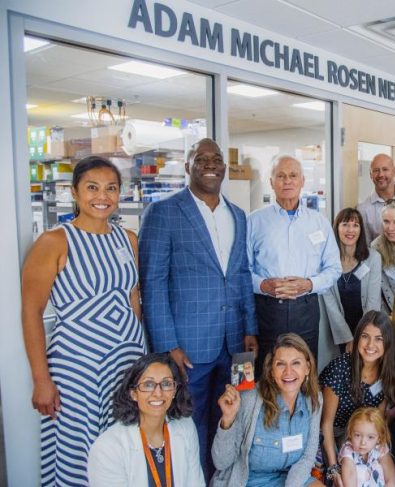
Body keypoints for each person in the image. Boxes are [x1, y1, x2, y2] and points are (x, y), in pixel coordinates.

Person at [21, 156, 146, 486]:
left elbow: (133, 298)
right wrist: (41, 379)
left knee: (124, 445)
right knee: (82, 451)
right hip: (79, 367)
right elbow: (31, 313)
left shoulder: (127, 238)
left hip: (127, 361)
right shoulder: (54, 242)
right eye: (92, 187)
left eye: (111, 188)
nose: (101, 196)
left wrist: (143, 360)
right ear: (74, 192)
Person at [139, 138, 256, 479]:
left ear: (224, 167)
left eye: (216, 159)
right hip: (188, 348)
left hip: (234, 345)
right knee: (189, 424)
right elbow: (153, 283)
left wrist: (250, 329)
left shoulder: (238, 215)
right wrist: (166, 346)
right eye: (200, 158)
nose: (210, 164)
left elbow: (242, 273)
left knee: (231, 418)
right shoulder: (163, 213)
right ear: (188, 166)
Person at [247, 155, 342, 370]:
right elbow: (242, 270)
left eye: (292, 176)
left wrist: (309, 284)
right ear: (271, 182)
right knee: (269, 371)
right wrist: (263, 285)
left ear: (302, 180)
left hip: (306, 310)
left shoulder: (319, 221)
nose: (287, 181)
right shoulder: (254, 221)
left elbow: (334, 268)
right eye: (280, 176)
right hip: (267, 310)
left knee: (305, 370)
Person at [211, 333, 324, 487]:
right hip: (249, 480)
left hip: (291, 478)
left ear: (307, 368)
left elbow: (308, 456)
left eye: (296, 363)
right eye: (281, 364)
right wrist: (228, 419)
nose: (288, 372)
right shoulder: (249, 399)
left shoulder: (314, 398)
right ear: (271, 370)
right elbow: (221, 462)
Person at [88, 353, 205, 486]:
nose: (158, 393)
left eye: (166, 384)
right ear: (133, 394)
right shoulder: (107, 448)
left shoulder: (186, 427)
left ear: (174, 391)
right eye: (148, 385)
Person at [320, 311, 395, 484]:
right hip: (337, 431)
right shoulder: (340, 369)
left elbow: (379, 419)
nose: (371, 344)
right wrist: (333, 469)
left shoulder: (387, 372)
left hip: (367, 433)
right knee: (351, 470)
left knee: (382, 464)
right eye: (365, 336)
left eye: (379, 338)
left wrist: (379, 451)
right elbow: (326, 424)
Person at [321, 208, 382, 352]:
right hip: (336, 331)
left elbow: (373, 302)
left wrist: (363, 336)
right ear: (336, 228)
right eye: (345, 224)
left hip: (367, 329)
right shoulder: (326, 261)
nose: (350, 230)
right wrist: (347, 338)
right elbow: (330, 305)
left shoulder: (373, 258)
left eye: (356, 225)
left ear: (361, 230)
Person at [339, 407, 395, 487]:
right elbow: (350, 476)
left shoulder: (380, 448)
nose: (363, 442)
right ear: (350, 434)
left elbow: (391, 479)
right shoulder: (348, 451)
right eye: (357, 435)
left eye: (370, 437)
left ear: (379, 438)